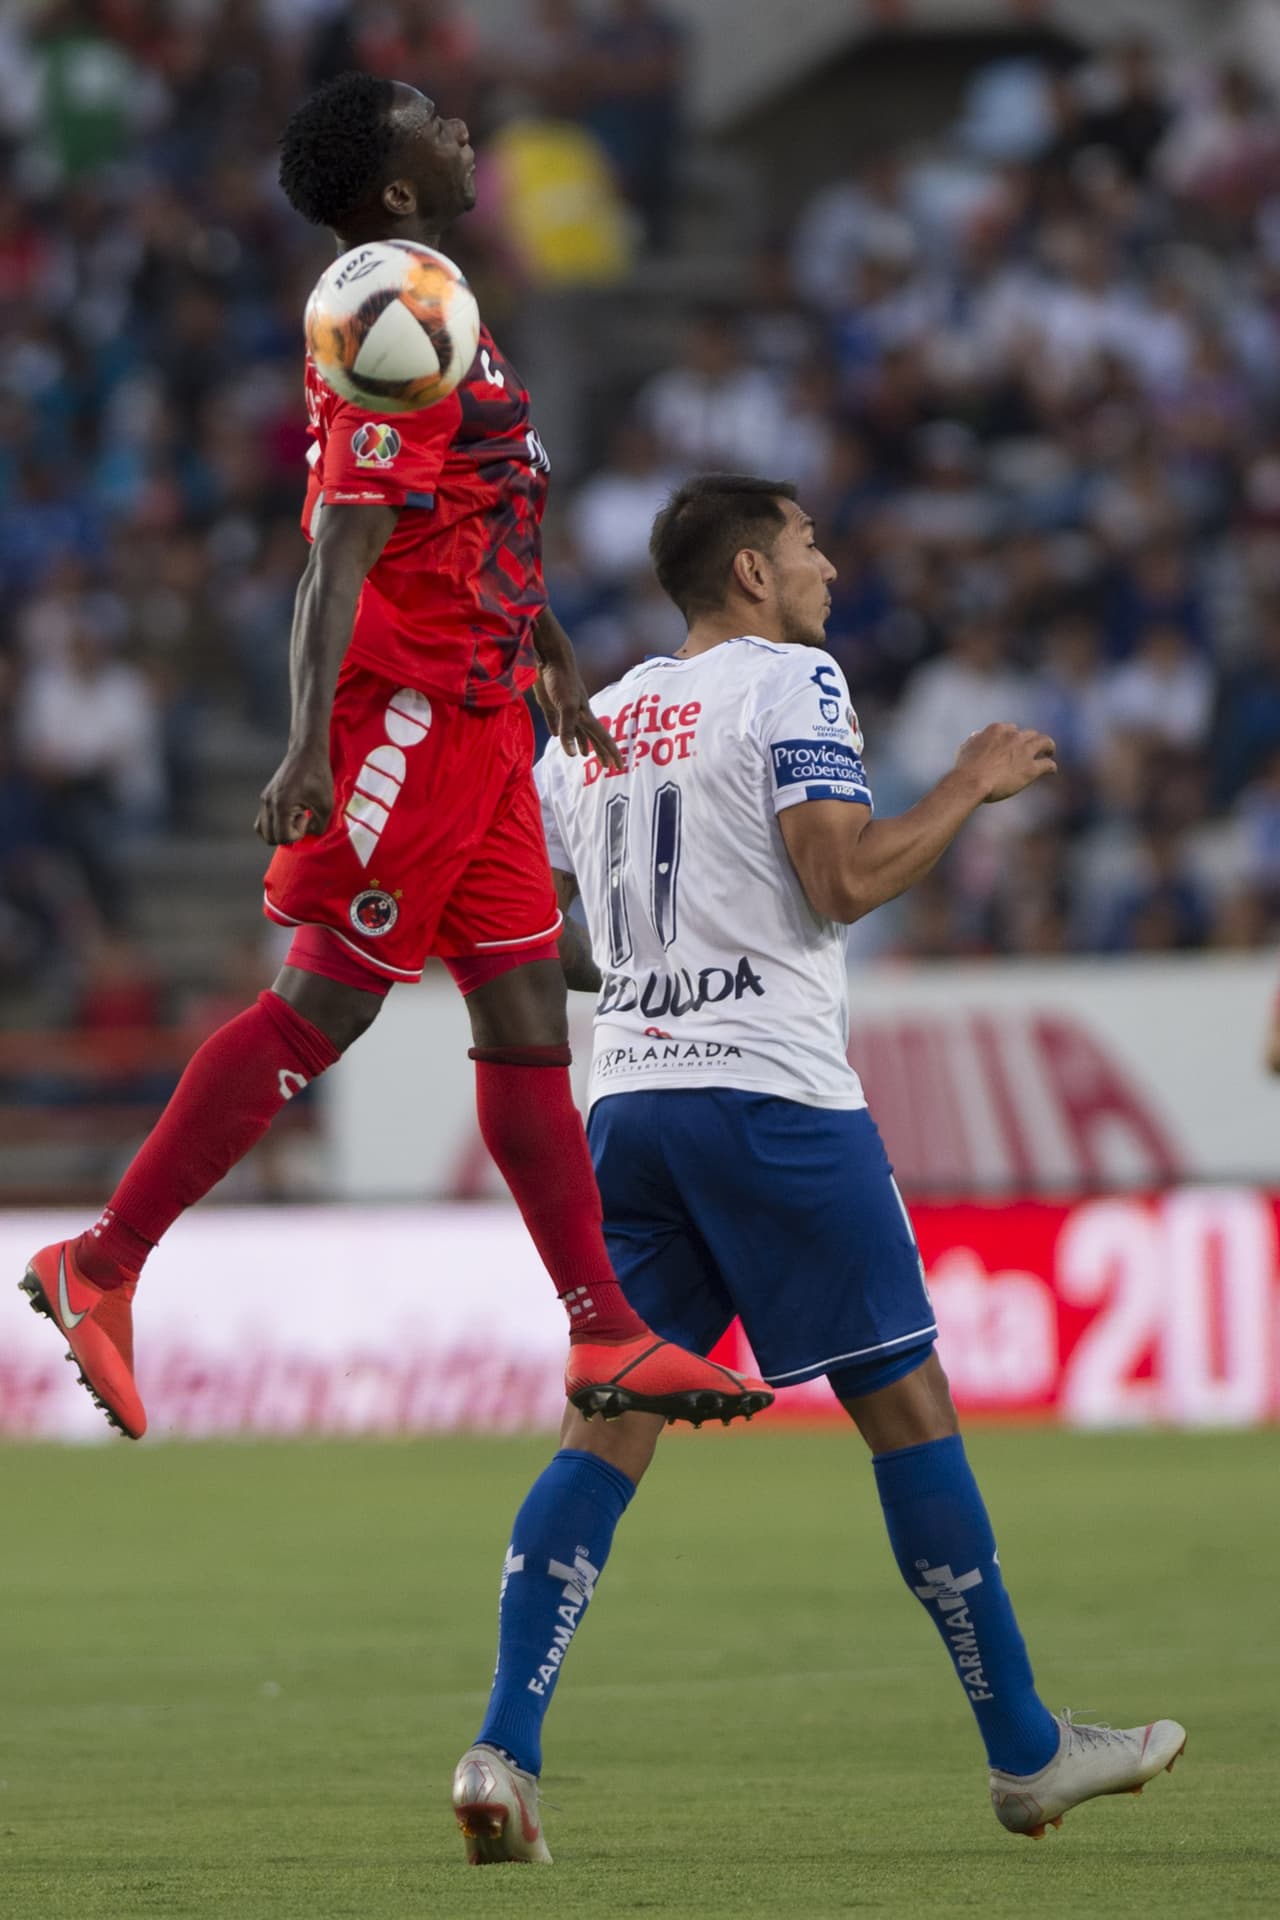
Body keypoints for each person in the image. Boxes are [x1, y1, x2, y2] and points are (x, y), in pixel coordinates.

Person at [18, 75, 771, 1443]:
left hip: (484, 708)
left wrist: (538, 638)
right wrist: (309, 743)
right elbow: (341, 549)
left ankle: (604, 1330)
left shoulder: (436, 302)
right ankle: (103, 1265)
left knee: (532, 1009)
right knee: (329, 1007)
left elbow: (473, 499)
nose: (463, 124)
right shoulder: (389, 323)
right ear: (401, 191)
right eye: (433, 122)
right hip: (409, 719)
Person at [451, 474, 1186, 1862]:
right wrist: (970, 782)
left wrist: (650, 967)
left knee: (606, 1426)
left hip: (632, 1110)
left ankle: (502, 1747)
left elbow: (537, 934)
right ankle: (1027, 1752)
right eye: (806, 546)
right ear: (748, 574)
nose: (829, 568)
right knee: (907, 1410)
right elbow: (841, 881)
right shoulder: (794, 680)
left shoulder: (591, 725)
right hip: (774, 1098)